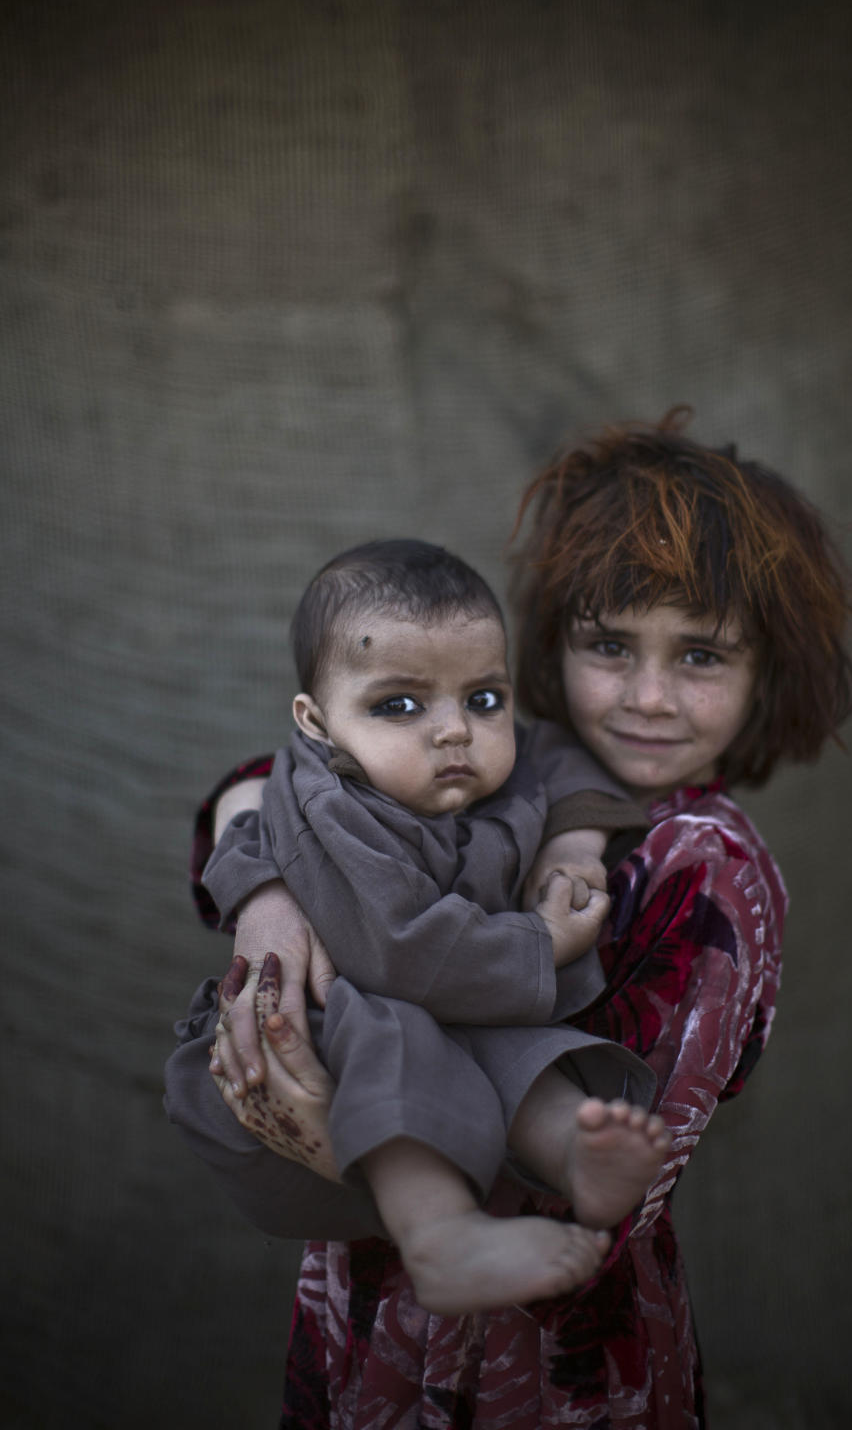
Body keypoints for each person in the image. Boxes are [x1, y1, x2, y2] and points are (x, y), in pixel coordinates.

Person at [165, 409, 852, 1428]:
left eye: (702, 657)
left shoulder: (704, 868)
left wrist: (329, 1139)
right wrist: (267, 898)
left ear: (768, 672)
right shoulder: (495, 756)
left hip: (541, 1358)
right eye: (610, 646)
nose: (649, 697)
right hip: (369, 1318)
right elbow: (272, 783)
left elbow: (598, 1207)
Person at [200, 537, 668, 1314]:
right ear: (317, 724)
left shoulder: (500, 759)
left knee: (527, 1050)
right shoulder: (335, 805)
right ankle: (441, 1235)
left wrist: (574, 842)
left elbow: (563, 756)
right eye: (400, 705)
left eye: (484, 699)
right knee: (395, 1047)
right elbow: (399, 950)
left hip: (468, 994)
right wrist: (542, 942)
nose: (454, 730)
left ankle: (573, 1155)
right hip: (354, 1012)